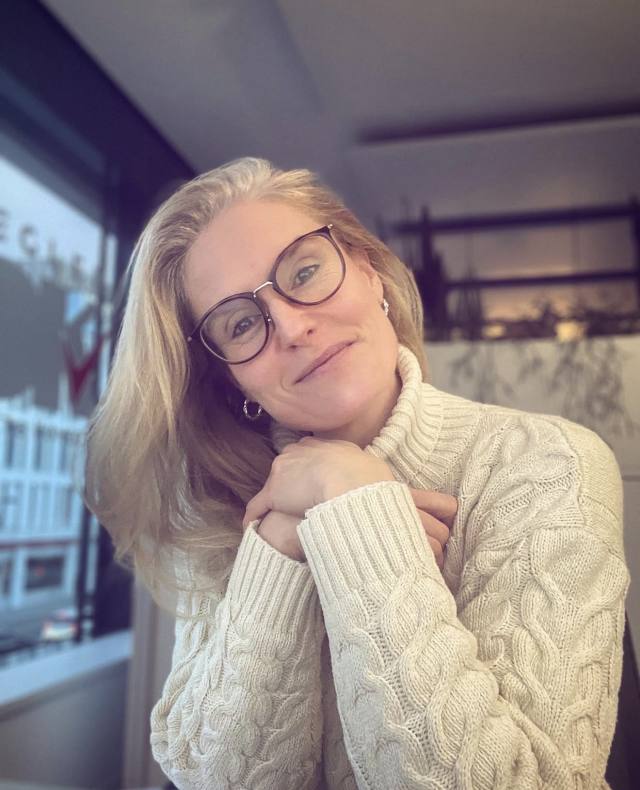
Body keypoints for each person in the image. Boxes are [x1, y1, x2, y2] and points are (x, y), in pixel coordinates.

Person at [86, 157, 629, 789]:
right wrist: (279, 543)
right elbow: (212, 779)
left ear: (371, 272)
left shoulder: (544, 462)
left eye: (305, 272)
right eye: (241, 324)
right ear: (232, 380)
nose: (293, 326)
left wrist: (358, 508)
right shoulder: (229, 506)